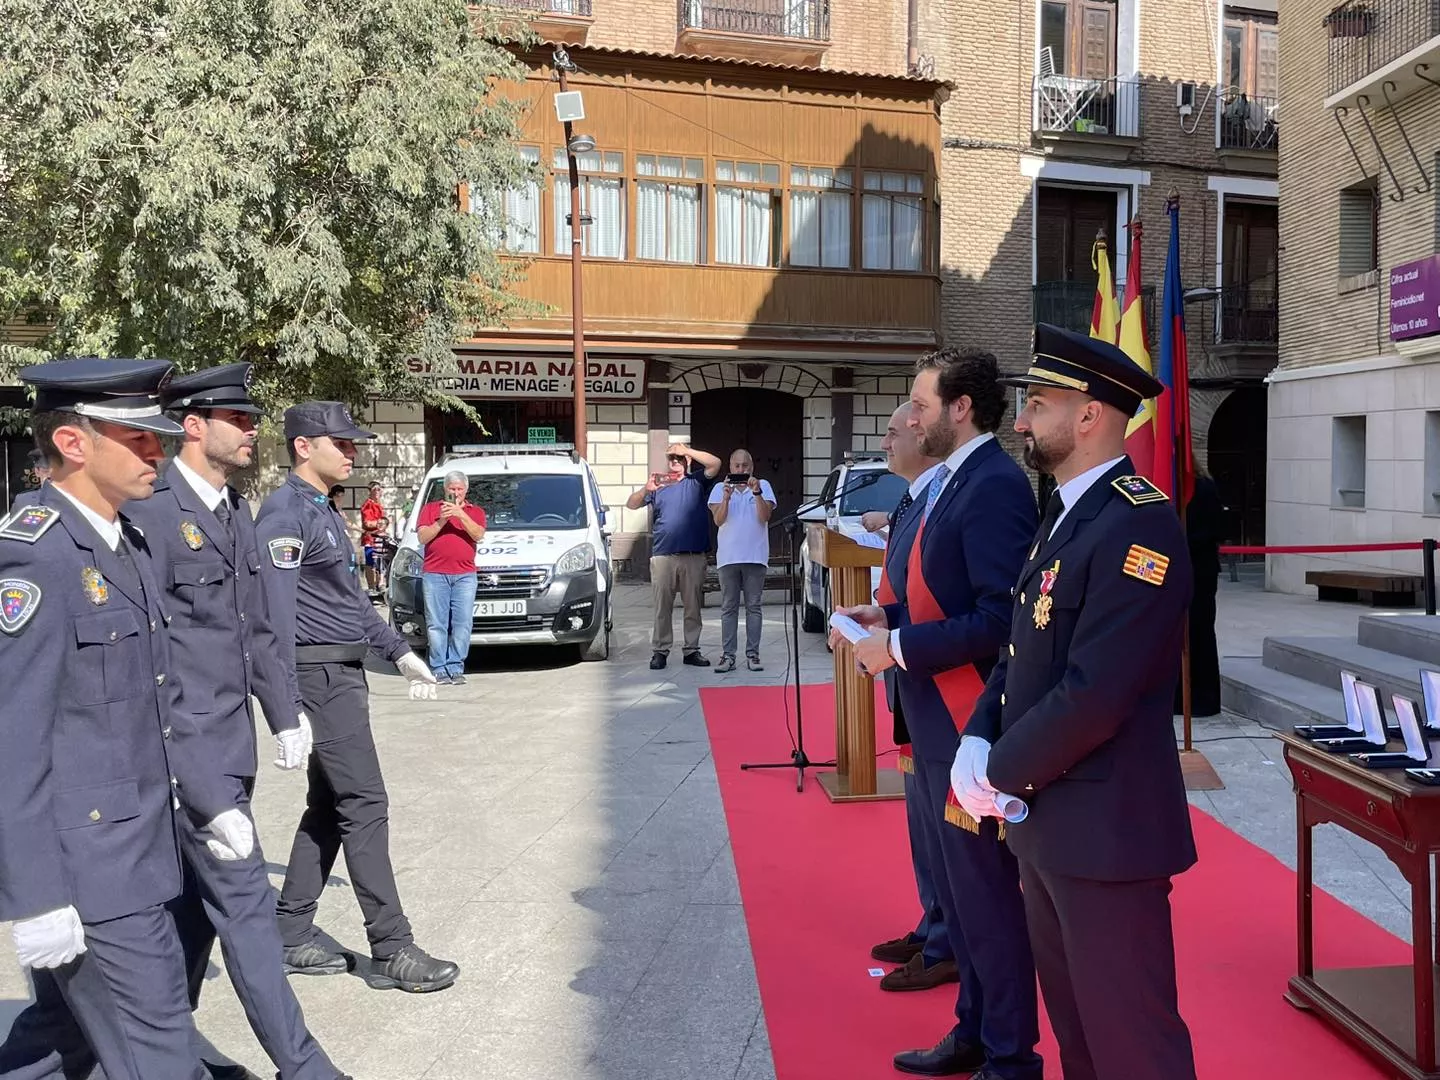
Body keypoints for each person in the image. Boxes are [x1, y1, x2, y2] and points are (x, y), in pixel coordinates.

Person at [952, 323, 1199, 1080]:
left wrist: (997, 772)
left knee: (1135, 1047)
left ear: (1089, 415)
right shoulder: (1067, 512)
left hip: (1106, 836)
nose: (1021, 419)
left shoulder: (1138, 522)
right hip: (1050, 825)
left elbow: (1096, 693)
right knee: (1082, 1046)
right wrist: (977, 732)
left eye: (1037, 403)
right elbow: (1025, 649)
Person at [123, 363, 350, 1080]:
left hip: (230, 749)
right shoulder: (151, 512)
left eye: (253, 420)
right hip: (186, 758)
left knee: (189, 913)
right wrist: (198, 779)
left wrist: (284, 716)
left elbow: (254, 629)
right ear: (194, 426)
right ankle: (304, 1065)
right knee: (247, 910)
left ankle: (155, 1051)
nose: (254, 431)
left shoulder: (229, 509)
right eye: (240, 420)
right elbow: (145, 660)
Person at [0, 359, 219, 1080]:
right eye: (138, 437)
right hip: (92, 871)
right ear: (73, 443)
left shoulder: (123, 541)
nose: (156, 451)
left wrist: (209, 802)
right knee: (160, 1050)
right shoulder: (38, 559)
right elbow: (14, 738)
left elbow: (151, 699)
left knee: (63, 1045)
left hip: (141, 850)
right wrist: (35, 899)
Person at [833, 349, 1040, 1080]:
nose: (907, 417)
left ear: (961, 408)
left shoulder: (992, 487)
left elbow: (999, 619)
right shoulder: (946, 485)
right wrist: (881, 615)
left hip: (970, 723)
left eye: (919, 405)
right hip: (934, 723)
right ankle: (974, 1033)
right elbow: (933, 597)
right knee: (960, 898)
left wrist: (901, 646)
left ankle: (1012, 1057)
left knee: (988, 902)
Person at [255, 402, 458, 994]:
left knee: (329, 805)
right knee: (365, 804)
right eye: (339, 443)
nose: (352, 452)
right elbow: (274, 615)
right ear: (302, 447)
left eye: (353, 443)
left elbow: (345, 602)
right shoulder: (283, 514)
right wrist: (285, 705)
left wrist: (397, 650)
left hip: (341, 672)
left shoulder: (321, 509)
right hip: (317, 677)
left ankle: (290, 931)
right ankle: (391, 946)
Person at [862, 403, 957, 994]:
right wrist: (882, 617)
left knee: (941, 819)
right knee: (921, 815)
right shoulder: (913, 496)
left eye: (895, 431)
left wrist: (895, 632)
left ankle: (947, 938)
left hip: (943, 678)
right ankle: (932, 922)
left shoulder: (942, 494)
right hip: (910, 665)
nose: (886, 439)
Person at [624, 441, 721, 671]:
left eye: (679, 458)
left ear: (687, 461)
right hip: (663, 555)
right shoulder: (658, 485)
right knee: (662, 607)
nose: (675, 462)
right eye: (671, 459)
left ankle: (691, 649)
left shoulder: (696, 481)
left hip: (693, 555)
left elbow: (715, 463)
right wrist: (645, 490)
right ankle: (660, 650)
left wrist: (686, 450)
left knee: (693, 606)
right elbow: (631, 504)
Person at [415, 470, 487, 685]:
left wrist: (460, 514)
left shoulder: (476, 511)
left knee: (462, 623)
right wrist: (442, 520)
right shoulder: (430, 510)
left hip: (465, 575)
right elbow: (422, 537)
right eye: (451, 489)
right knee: (436, 623)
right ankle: (438, 667)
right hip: (435, 574)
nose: (455, 493)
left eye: (459, 489)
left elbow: (478, 534)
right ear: (444, 489)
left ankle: (456, 666)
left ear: (466, 490)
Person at [707, 449, 775, 673]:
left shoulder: (763, 485)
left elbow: (765, 517)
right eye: (737, 466)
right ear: (730, 466)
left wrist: (756, 493)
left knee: (754, 607)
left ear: (752, 466)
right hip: (728, 558)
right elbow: (718, 520)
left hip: (755, 557)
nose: (741, 470)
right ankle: (728, 656)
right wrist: (726, 497)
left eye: (745, 466)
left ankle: (753, 655)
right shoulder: (719, 488)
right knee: (729, 607)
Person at [1177, 468, 1223, 717]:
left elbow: (1215, 528)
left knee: (1200, 633)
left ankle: (1204, 700)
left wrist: (1181, 539)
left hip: (1200, 571)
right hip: (1179, 568)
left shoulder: (1203, 485)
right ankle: (1178, 697)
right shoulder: (1169, 484)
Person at [360, 482, 388, 595]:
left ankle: (379, 585)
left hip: (380, 538)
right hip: (370, 539)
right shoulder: (368, 505)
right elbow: (367, 523)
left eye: (379, 489)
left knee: (381, 562)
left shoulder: (379, 504)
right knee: (371, 562)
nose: (377, 491)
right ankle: (371, 586)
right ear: (370, 491)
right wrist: (381, 523)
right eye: (375, 489)